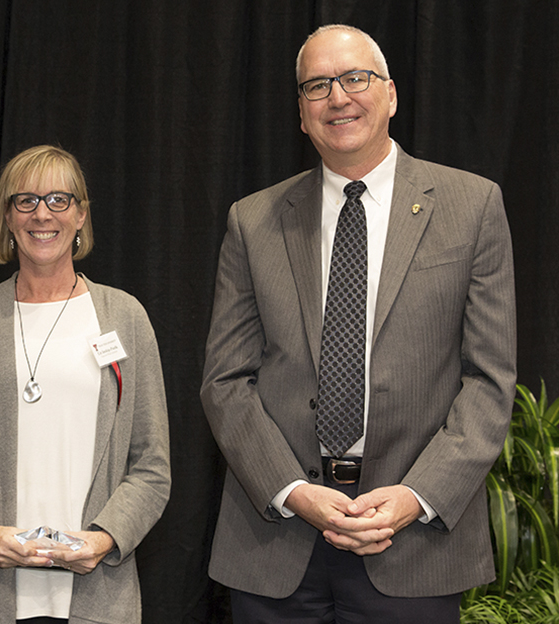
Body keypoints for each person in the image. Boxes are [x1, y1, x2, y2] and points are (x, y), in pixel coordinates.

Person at [201, 24, 516, 623]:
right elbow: (225, 381)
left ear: (391, 94)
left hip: (414, 543)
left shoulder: (473, 206)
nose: (338, 97)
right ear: (300, 113)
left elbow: (489, 380)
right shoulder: (254, 220)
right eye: (317, 86)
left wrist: (415, 498)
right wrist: (293, 491)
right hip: (276, 540)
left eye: (354, 78)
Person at [0, 145, 171, 623]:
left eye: (58, 199)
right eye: (25, 201)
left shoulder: (125, 318)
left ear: (80, 216)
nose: (42, 214)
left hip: (96, 594)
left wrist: (104, 539)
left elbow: (151, 465)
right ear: (7, 219)